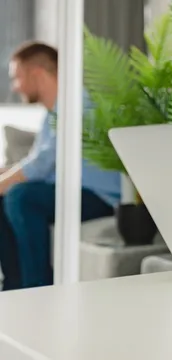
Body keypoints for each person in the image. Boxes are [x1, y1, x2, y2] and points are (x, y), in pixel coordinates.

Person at [1, 41, 121, 289]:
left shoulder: (79, 104)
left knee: (21, 196)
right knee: (10, 195)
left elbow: (41, 164)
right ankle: (14, 288)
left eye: (17, 77)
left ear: (37, 74)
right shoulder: (52, 115)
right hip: (66, 192)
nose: (15, 87)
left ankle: (37, 288)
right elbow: (33, 162)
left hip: (99, 198)